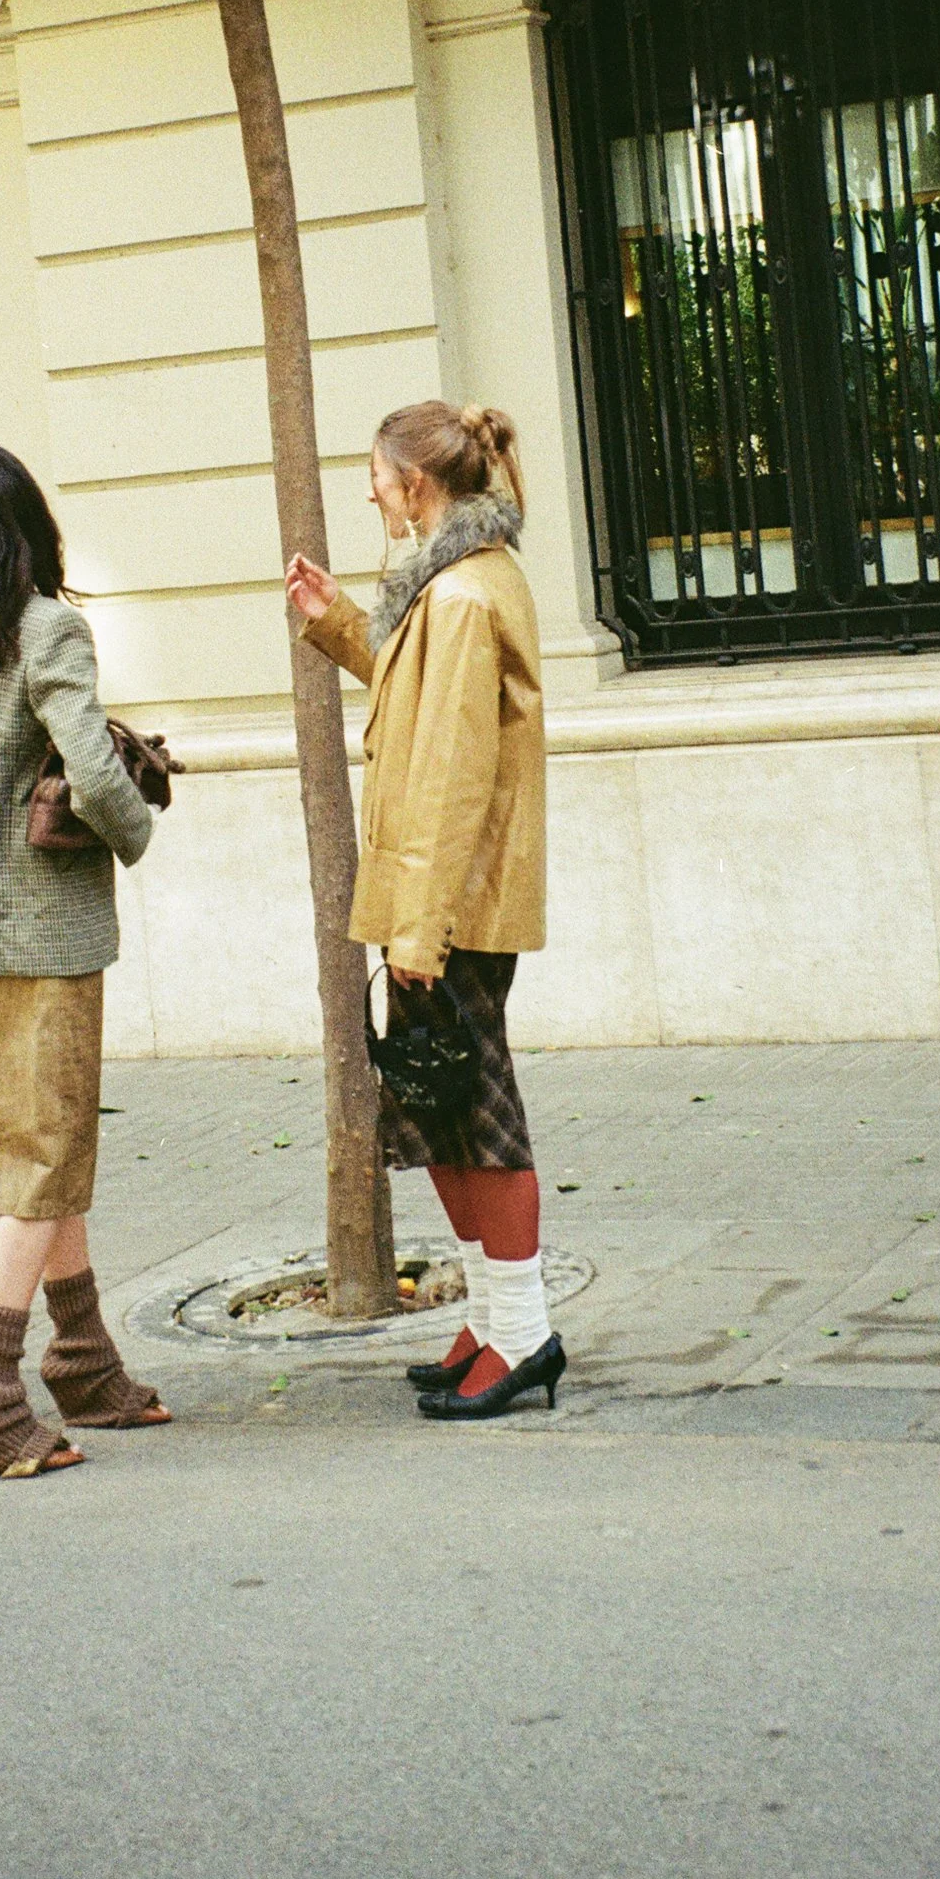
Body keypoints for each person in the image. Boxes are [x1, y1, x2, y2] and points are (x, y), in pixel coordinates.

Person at [0, 440, 171, 1479]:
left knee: (44, 1143)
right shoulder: (47, 625)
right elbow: (94, 772)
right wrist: (135, 833)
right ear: (28, 525)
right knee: (40, 1159)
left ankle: (86, 1361)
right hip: (44, 933)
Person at [286, 400, 559, 1419]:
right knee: (441, 1109)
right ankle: (493, 1315)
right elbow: (417, 700)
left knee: (477, 1112)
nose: (366, 490)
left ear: (415, 483)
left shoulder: (457, 596)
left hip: (451, 906)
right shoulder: (453, 585)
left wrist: (418, 933)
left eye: (374, 472)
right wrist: (335, 624)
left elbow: (447, 770)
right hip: (443, 899)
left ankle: (523, 1331)